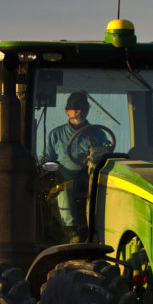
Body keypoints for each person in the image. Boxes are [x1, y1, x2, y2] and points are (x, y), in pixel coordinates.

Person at [43, 92, 111, 240]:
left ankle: (101, 226)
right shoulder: (56, 134)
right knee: (65, 182)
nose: (80, 111)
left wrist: (98, 154)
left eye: (84, 108)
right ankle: (71, 230)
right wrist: (57, 169)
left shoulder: (97, 134)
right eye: (76, 107)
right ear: (67, 111)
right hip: (66, 177)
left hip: (91, 175)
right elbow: (48, 161)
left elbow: (106, 152)